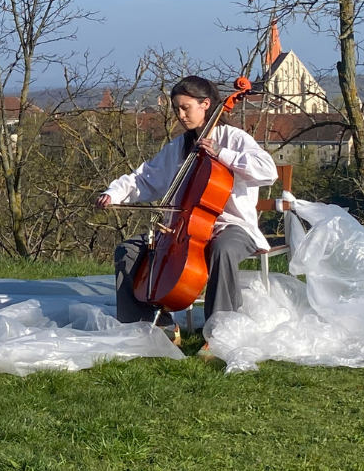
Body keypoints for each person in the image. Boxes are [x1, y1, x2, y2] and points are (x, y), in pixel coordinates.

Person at [96, 76, 277, 342]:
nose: (180, 115)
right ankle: (148, 326)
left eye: (185, 108)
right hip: (182, 230)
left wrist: (221, 154)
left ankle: (222, 332)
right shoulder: (178, 147)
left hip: (232, 226)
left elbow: (267, 171)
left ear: (206, 104)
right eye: (176, 109)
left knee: (222, 249)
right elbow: (144, 178)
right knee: (129, 251)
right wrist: (114, 193)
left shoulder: (234, 139)